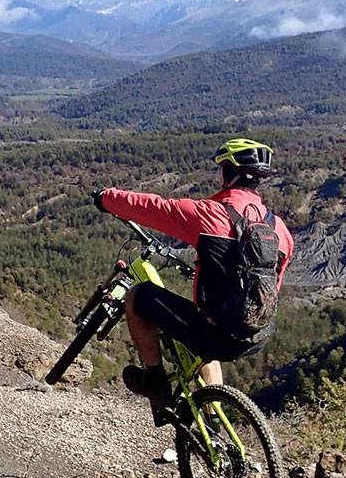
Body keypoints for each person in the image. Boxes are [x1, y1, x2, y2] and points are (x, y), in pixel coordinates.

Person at [92, 138, 293, 423]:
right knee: (209, 331)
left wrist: (105, 197)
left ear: (228, 173)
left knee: (138, 296)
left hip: (215, 335)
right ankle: (213, 422)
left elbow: (151, 207)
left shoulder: (209, 215)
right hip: (256, 336)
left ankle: (155, 381)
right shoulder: (280, 230)